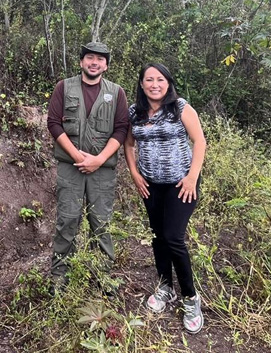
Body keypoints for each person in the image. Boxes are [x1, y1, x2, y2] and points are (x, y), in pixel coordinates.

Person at [123, 63, 207, 334]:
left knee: (173, 237)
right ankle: (165, 287)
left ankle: (191, 297)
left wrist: (192, 177)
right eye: (149, 79)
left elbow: (200, 141)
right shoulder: (134, 112)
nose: (155, 84)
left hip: (181, 184)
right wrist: (135, 173)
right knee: (158, 235)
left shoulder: (181, 107)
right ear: (142, 84)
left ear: (168, 83)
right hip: (150, 185)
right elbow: (128, 143)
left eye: (160, 79)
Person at [46, 41, 129, 293]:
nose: (95, 62)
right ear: (81, 61)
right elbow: (54, 123)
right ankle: (59, 276)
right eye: (90, 57)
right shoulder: (64, 87)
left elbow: (122, 128)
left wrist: (98, 159)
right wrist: (78, 158)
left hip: (102, 171)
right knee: (67, 221)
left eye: (100, 59)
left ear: (106, 65)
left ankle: (103, 276)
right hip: (70, 168)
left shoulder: (116, 93)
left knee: (100, 222)